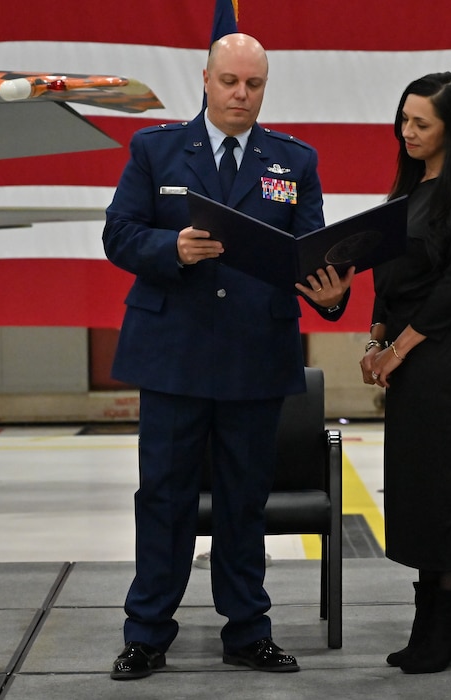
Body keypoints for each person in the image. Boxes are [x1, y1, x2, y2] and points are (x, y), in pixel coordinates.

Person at [102, 33, 353, 681]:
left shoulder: (292, 160)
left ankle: (247, 629)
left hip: (254, 356)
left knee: (245, 499)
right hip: (172, 357)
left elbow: (311, 249)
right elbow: (119, 234)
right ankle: (147, 633)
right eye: (231, 81)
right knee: (164, 498)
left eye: (255, 84)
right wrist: (171, 249)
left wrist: (331, 293)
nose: (242, 94)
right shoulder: (155, 149)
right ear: (206, 80)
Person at [361, 73, 451, 674]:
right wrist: (375, 339)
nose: (408, 131)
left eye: (422, 123)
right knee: (418, 487)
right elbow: (388, 266)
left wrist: (400, 349)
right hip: (407, 350)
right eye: (404, 119)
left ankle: (448, 620)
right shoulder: (409, 183)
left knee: (446, 484)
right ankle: (433, 621)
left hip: (443, 352)